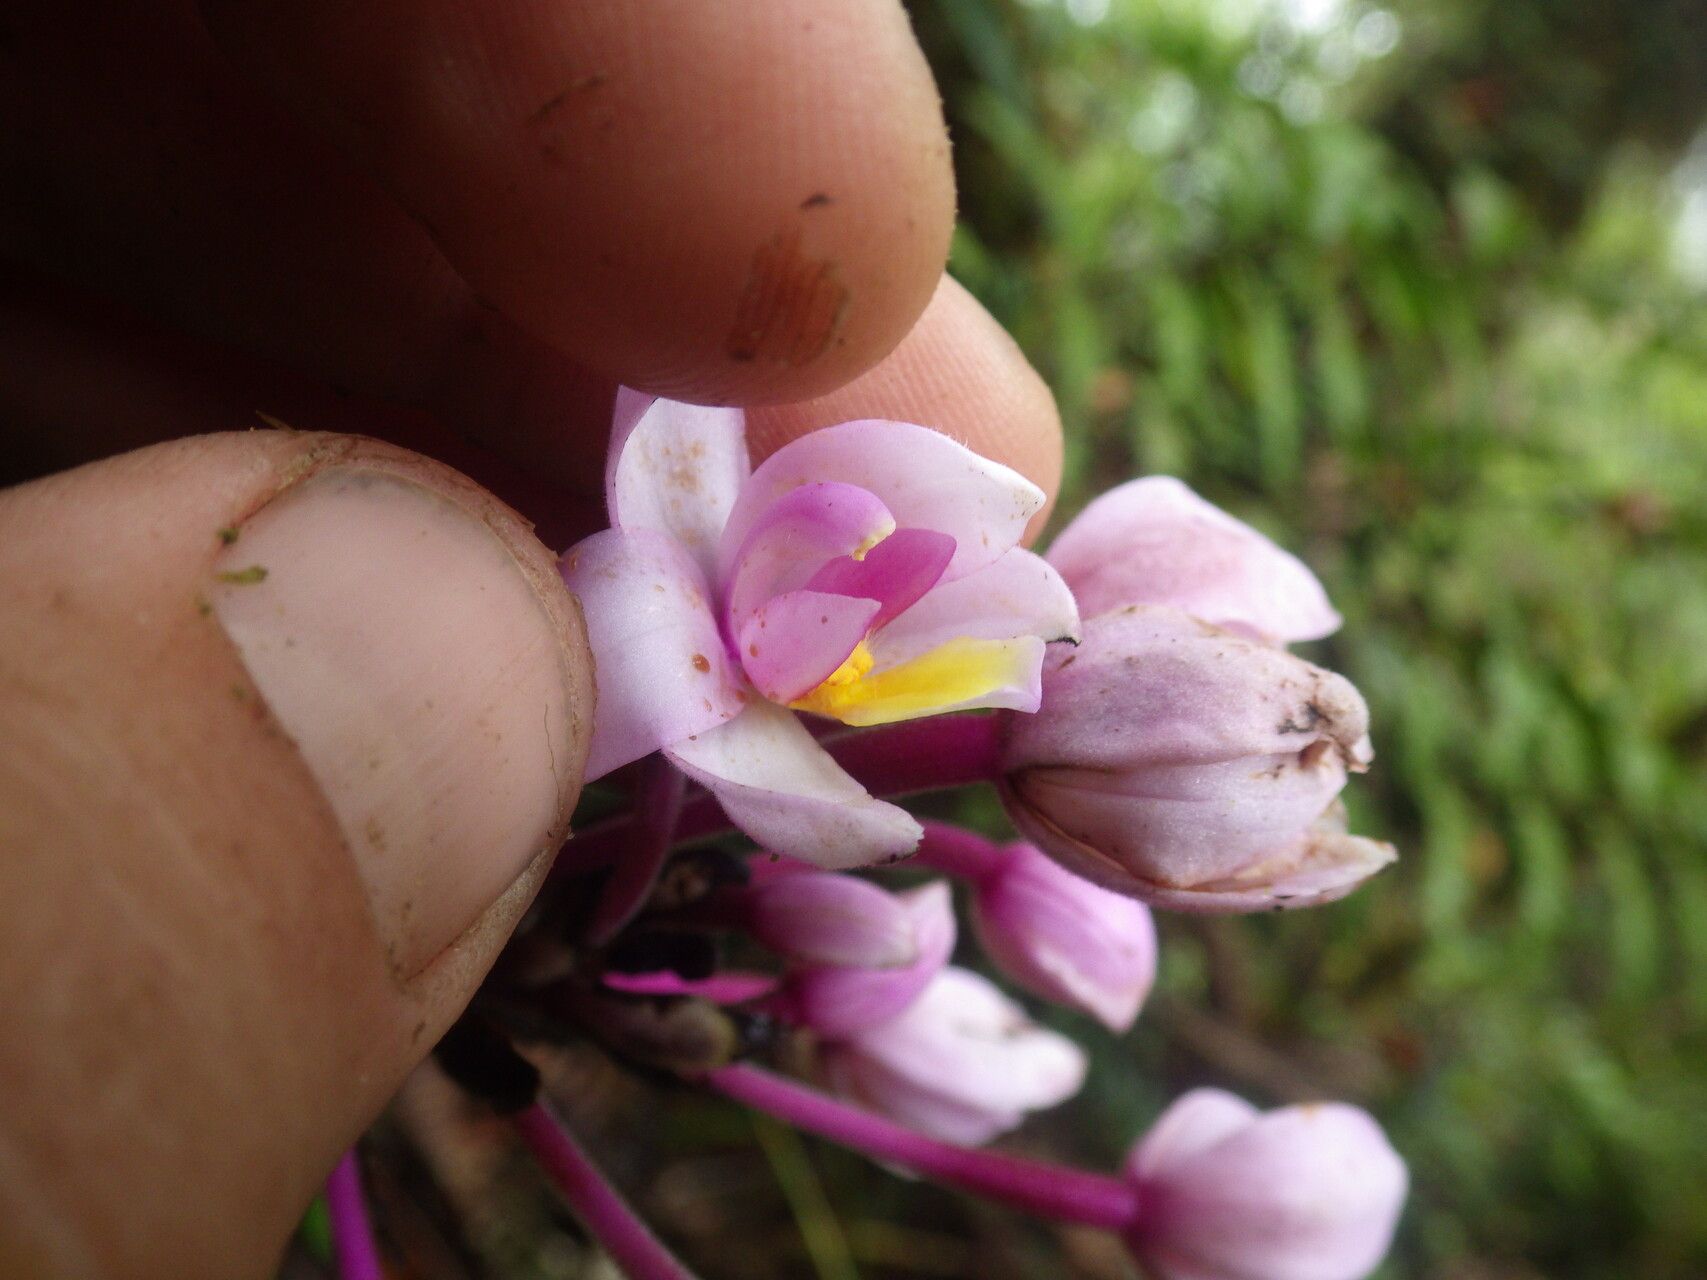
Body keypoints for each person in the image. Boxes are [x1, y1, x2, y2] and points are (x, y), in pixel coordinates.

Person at [0, 3, 1063, 1275]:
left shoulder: (725, 632)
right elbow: (526, 704)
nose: (880, 580)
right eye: (857, 544)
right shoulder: (670, 518)